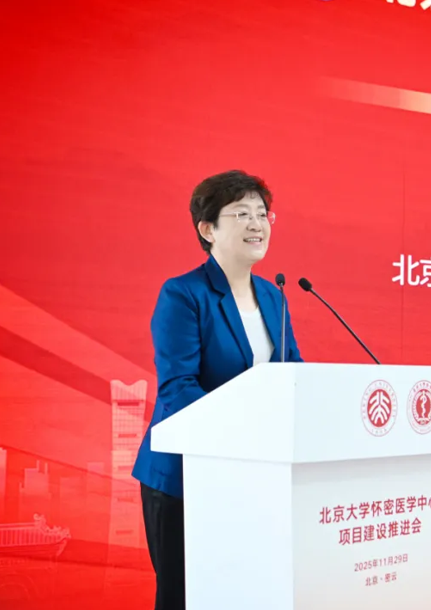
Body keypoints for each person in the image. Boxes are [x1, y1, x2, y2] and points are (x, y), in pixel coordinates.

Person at [132, 170, 303, 610]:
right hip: (184, 479)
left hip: (252, 476)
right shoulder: (183, 294)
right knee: (185, 597)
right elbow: (178, 389)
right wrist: (248, 434)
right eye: (242, 214)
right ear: (207, 229)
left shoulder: (274, 296)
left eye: (262, 214)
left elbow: (292, 376)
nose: (257, 224)